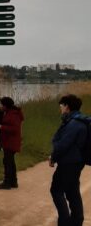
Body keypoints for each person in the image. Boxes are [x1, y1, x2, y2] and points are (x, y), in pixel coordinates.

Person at [50, 94, 86, 226]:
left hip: (69, 163)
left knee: (56, 190)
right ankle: (76, 221)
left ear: (67, 107)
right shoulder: (79, 121)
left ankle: (65, 221)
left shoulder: (73, 123)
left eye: (61, 106)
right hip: (76, 161)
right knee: (72, 191)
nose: (60, 108)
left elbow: (63, 144)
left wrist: (53, 157)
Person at [0, 97, 24, 189]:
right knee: (10, 161)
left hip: (11, 141)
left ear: (6, 105)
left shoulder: (13, 114)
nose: (1, 106)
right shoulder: (10, 112)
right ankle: (13, 181)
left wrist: (1, 127)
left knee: (7, 162)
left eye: (2, 105)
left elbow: (14, 129)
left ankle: (7, 182)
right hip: (9, 140)